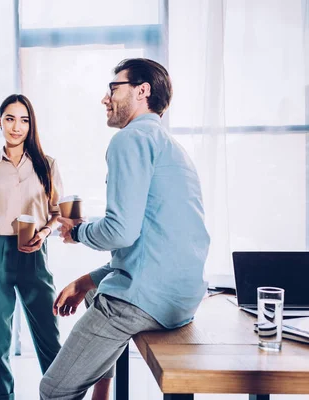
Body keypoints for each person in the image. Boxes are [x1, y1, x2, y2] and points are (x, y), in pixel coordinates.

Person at [39, 58, 210, 400]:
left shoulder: (130, 139)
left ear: (142, 91)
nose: (106, 98)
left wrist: (77, 232)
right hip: (181, 298)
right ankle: (103, 392)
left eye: (114, 88)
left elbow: (120, 232)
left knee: (53, 390)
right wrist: (88, 280)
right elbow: (152, 244)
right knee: (91, 291)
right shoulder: (171, 147)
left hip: (145, 302)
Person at [0, 94, 63, 400]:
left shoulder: (46, 164)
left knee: (49, 336)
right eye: (10, 119)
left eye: (24, 120)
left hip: (34, 251)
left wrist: (47, 231)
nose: (17, 127)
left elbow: (57, 212)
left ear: (31, 124)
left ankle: (60, 395)